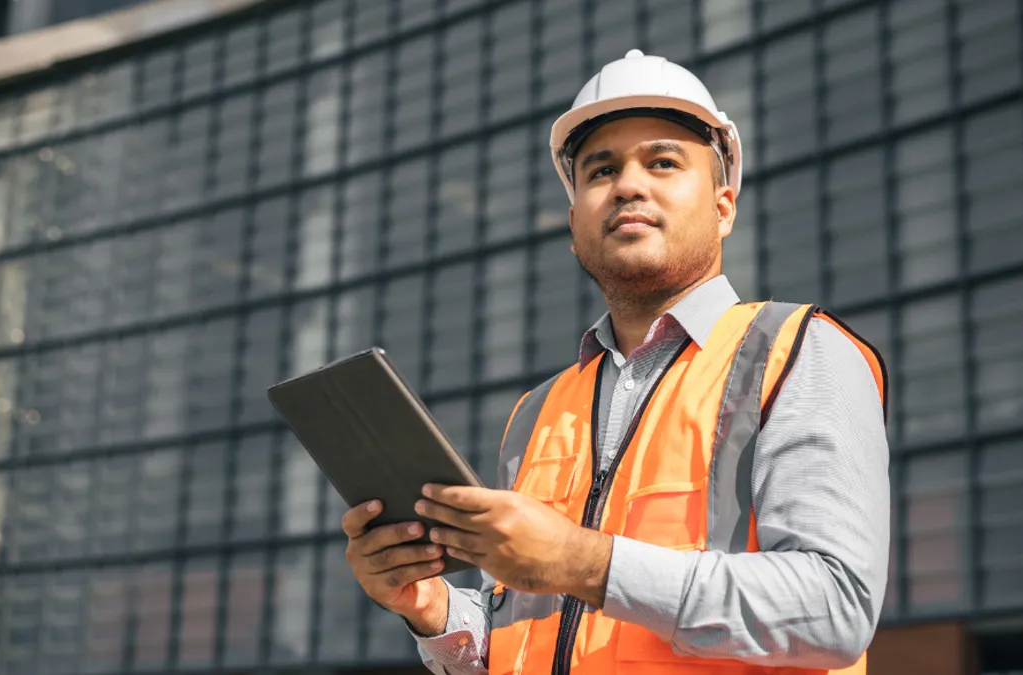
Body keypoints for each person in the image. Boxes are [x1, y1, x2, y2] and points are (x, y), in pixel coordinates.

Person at [341, 49, 890, 675]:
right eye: (601, 170)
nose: (629, 184)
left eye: (663, 161)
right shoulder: (538, 411)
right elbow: (527, 638)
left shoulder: (800, 351)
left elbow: (835, 610)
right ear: (576, 222)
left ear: (723, 205)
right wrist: (432, 608)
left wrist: (585, 563)